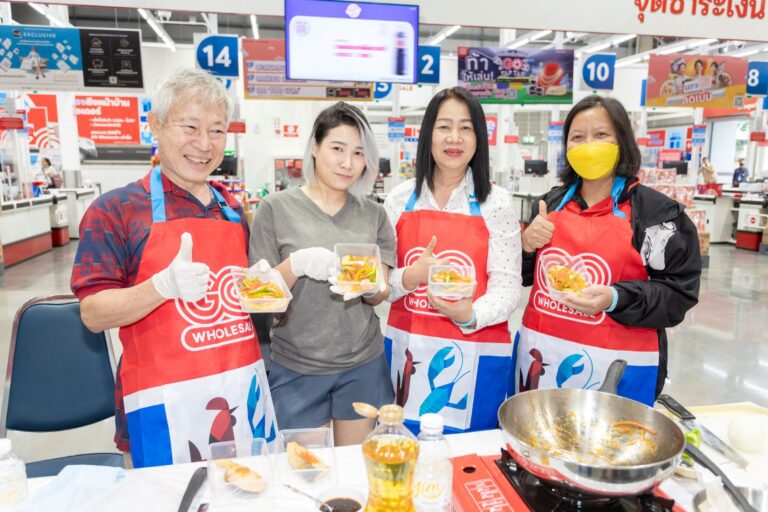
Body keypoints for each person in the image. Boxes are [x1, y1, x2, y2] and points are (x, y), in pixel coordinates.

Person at [70, 68, 277, 468]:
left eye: (217, 130)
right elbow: (93, 314)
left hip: (237, 392)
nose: (204, 144)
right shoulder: (115, 211)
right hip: (161, 401)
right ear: (156, 125)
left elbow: (239, 299)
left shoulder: (232, 210)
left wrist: (266, 285)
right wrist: (161, 287)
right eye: (190, 127)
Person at [516, 95, 701, 407]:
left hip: (617, 367)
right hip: (542, 359)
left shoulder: (658, 217)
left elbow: (679, 294)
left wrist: (616, 297)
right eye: (577, 137)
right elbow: (524, 277)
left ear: (622, 142)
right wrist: (526, 245)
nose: (588, 146)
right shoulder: (549, 204)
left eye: (601, 135)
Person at [248, 102, 396, 446]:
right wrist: (296, 265)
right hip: (298, 365)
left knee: (356, 467)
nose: (348, 163)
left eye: (358, 153)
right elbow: (258, 297)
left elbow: (380, 293)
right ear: (315, 147)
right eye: (337, 149)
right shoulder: (275, 208)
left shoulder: (373, 215)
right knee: (306, 470)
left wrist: (370, 285)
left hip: (362, 363)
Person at [384, 86, 522, 434]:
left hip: (476, 353)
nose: (454, 138)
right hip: (408, 355)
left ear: (479, 138)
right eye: (444, 126)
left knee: (470, 458)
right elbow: (381, 285)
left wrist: (470, 314)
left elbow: (508, 286)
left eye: (466, 128)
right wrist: (410, 276)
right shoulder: (399, 199)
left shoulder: (497, 202)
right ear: (427, 134)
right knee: (403, 450)